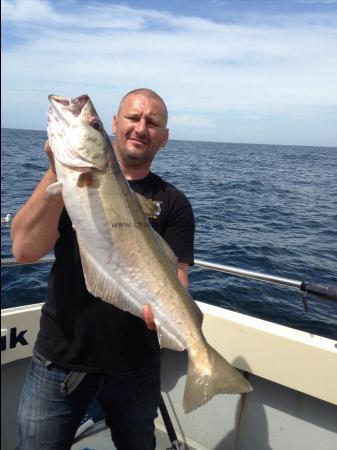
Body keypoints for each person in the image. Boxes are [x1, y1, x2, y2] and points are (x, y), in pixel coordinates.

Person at [11, 88, 195, 450]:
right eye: (132, 117)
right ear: (114, 124)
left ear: (164, 138)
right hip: (59, 358)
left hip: (137, 368)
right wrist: (55, 169)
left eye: (152, 122)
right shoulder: (66, 181)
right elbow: (23, 250)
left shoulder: (174, 204)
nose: (141, 127)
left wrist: (175, 322)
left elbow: (178, 280)